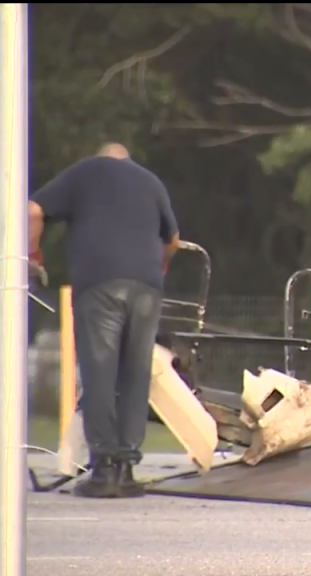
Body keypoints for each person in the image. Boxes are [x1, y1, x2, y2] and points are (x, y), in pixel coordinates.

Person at [28, 142, 181, 498]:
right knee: (134, 374)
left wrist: (34, 255)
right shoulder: (150, 181)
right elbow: (173, 240)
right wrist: (156, 269)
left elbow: (33, 210)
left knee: (100, 370)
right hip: (146, 288)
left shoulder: (86, 171)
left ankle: (103, 469)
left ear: (101, 157)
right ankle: (126, 469)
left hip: (100, 285)